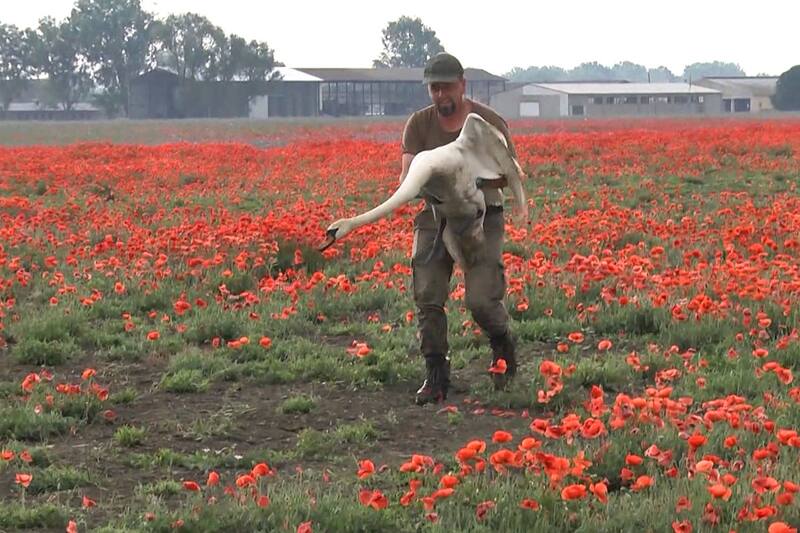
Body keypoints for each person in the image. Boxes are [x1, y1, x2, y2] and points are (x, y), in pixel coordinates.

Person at [399, 52, 522, 406]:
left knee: (481, 300)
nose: (440, 95)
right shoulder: (418, 126)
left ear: (462, 85)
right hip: (435, 215)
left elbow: (509, 172)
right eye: (434, 89)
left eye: (446, 87)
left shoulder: (487, 121)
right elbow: (408, 177)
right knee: (427, 294)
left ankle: (502, 348)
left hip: (481, 216)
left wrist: (468, 180)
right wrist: (437, 185)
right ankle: (436, 374)